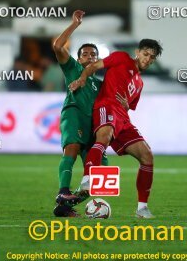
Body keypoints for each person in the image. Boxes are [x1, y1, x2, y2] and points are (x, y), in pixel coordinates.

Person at [67, 38, 163, 219]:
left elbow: (128, 106)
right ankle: (87, 180)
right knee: (104, 137)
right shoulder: (121, 58)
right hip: (107, 106)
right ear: (137, 52)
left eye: (152, 57)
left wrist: (126, 104)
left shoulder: (139, 84)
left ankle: (142, 209)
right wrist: (82, 79)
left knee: (147, 156)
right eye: (145, 54)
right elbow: (93, 67)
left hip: (123, 119)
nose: (147, 59)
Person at [52, 10, 116, 217]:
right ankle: (63, 192)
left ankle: (65, 206)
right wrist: (74, 25)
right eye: (85, 54)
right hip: (74, 113)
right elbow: (57, 46)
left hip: (93, 125)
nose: (90, 57)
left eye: (94, 55)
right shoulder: (72, 69)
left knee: (101, 173)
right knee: (72, 147)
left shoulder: (100, 84)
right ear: (78, 59)